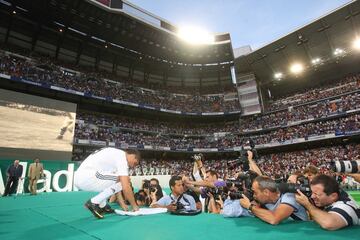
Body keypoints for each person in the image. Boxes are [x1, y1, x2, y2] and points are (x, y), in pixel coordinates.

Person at [74, 148, 141, 219]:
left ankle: (102, 206)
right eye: (135, 163)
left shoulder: (115, 154)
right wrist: (134, 206)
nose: (133, 166)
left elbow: (116, 185)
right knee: (125, 180)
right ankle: (93, 202)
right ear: (133, 156)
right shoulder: (122, 157)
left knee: (119, 180)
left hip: (82, 177)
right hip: (88, 176)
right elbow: (125, 186)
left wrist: (122, 204)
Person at [295, 174, 360, 230]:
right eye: (312, 192)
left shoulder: (346, 205)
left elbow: (329, 224)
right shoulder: (332, 195)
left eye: (316, 194)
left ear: (333, 196)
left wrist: (307, 205)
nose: (312, 196)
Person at [240, 176, 308, 225]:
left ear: (266, 192)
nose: (254, 195)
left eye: (255, 192)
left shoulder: (289, 196)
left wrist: (250, 206)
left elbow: (274, 219)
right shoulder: (264, 200)